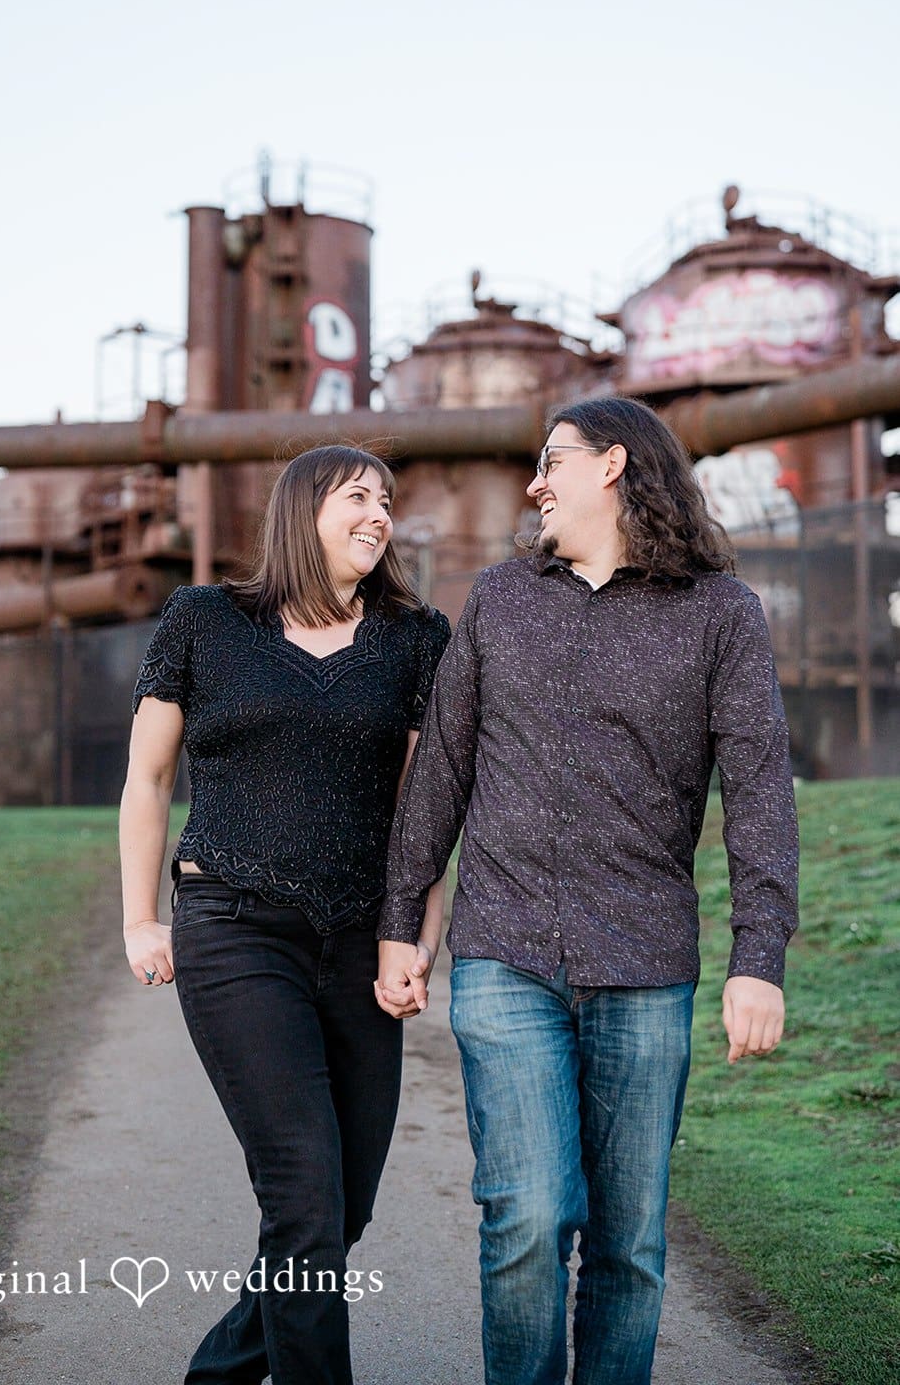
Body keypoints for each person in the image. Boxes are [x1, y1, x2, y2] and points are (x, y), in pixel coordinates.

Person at [376, 396, 799, 1385]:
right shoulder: (499, 597)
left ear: (611, 464)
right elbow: (439, 767)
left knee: (628, 1241)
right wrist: (403, 921)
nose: (533, 483)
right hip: (504, 951)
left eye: (550, 461)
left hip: (645, 963)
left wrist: (757, 959)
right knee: (524, 1215)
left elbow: (759, 794)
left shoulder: (720, 614)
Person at [119, 444, 449, 1385]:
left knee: (342, 1208)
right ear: (302, 510)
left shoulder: (416, 636)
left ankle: (218, 1375)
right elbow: (145, 781)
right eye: (357, 497)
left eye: (386, 500)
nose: (378, 514)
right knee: (303, 1191)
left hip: (358, 941)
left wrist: (414, 942)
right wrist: (141, 920)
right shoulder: (203, 620)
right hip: (233, 927)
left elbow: (425, 812)